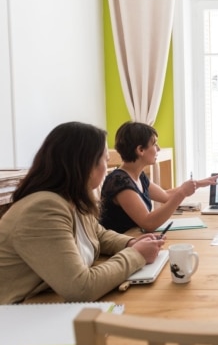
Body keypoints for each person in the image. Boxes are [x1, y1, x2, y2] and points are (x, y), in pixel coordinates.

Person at [0, 122, 165, 304]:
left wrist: (132, 242)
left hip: (46, 302)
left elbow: (98, 234)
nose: (107, 166)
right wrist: (137, 254)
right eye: (104, 160)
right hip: (15, 316)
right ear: (85, 165)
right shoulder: (43, 208)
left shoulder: (73, 198)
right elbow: (81, 288)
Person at [100, 121, 218, 233]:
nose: (159, 149)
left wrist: (198, 184)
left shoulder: (139, 176)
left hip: (135, 240)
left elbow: (166, 196)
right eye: (154, 144)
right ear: (140, 150)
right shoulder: (119, 182)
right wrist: (182, 193)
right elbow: (148, 222)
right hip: (119, 250)